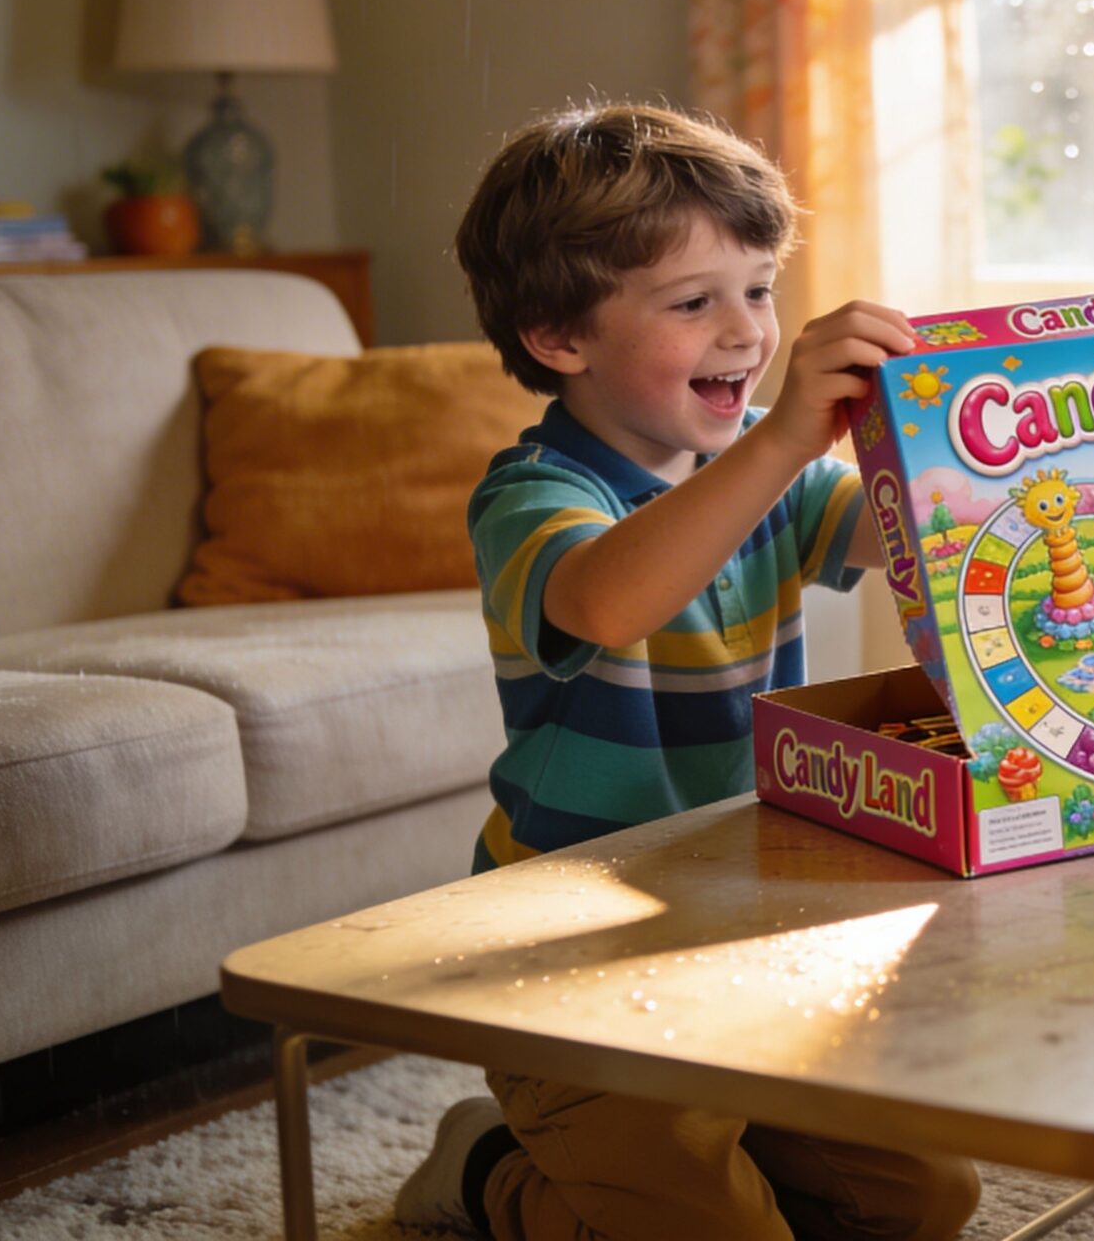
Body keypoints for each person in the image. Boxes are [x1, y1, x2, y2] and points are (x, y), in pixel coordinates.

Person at [394, 102, 979, 1240]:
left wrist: (977, 427)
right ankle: (483, 1171)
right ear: (561, 336)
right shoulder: (536, 495)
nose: (747, 332)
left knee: (925, 1199)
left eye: (758, 290)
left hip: (735, 934)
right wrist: (781, 441)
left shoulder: (776, 477)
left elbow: (932, 538)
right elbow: (610, 598)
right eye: (693, 301)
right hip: (560, 968)